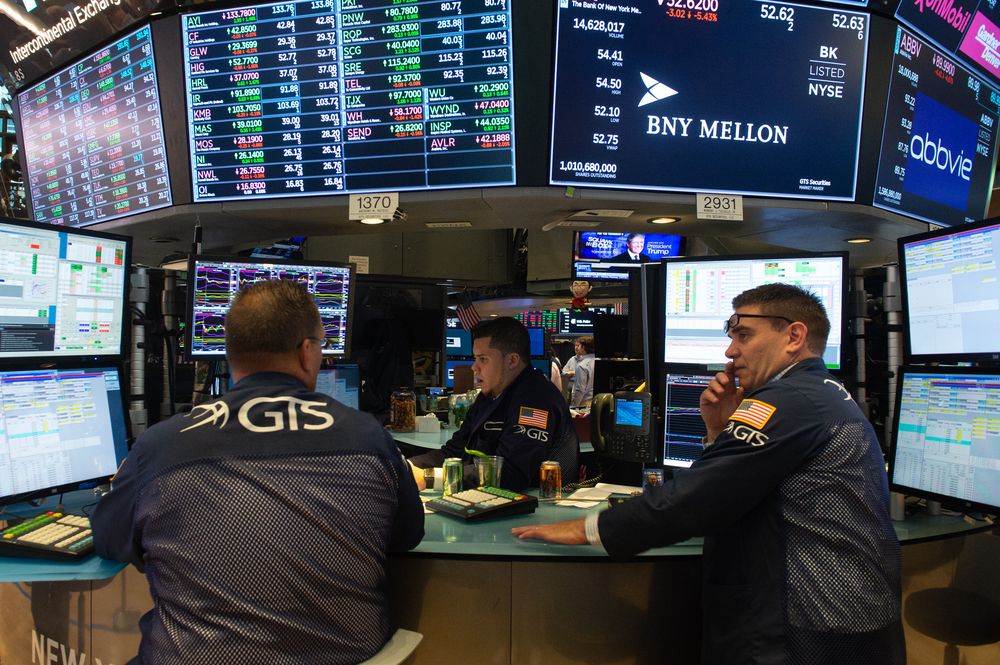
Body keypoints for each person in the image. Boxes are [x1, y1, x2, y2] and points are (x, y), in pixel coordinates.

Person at [513, 283, 903, 665]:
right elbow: (742, 485)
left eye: (744, 335)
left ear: (794, 336)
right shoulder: (823, 392)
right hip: (840, 618)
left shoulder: (788, 401)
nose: (731, 351)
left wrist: (590, 528)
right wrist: (718, 431)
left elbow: (699, 498)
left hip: (802, 631)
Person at [91, 280, 424, 665]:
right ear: (305, 352)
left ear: (231, 353)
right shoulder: (368, 438)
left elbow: (109, 537)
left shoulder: (160, 447)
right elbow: (406, 536)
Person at [410, 317, 578, 491]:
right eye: (476, 358)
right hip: (485, 500)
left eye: (483, 359)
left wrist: (428, 478)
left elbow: (511, 474)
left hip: (533, 510)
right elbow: (453, 452)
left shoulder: (536, 400)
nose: (474, 367)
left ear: (512, 360)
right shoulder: (489, 395)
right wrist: (406, 467)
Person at [564, 335, 595, 407]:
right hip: (597, 401)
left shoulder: (582, 365)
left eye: (579, 345)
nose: (576, 347)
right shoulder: (598, 361)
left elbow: (579, 390)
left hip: (584, 403)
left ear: (583, 347)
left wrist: (573, 407)